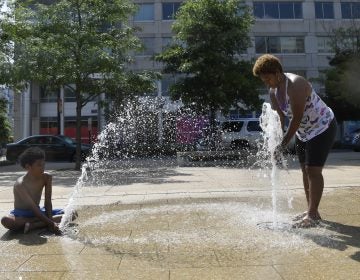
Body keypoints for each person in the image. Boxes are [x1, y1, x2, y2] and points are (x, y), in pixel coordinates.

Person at [253, 54, 337, 228]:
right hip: (303, 132)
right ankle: (311, 211)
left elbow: (296, 118)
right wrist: (276, 141)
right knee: (305, 171)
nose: (267, 83)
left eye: (268, 78)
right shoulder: (273, 91)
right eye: (263, 80)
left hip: (322, 127)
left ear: (277, 73)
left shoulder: (296, 84)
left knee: (313, 170)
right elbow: (282, 117)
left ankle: (312, 214)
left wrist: (282, 146)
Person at [1, 147, 63, 234]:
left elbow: (48, 202)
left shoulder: (47, 177)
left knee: (72, 214)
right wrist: (51, 223)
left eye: (43, 164)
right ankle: (38, 221)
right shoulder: (20, 184)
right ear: (28, 167)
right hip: (21, 215)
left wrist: (50, 223)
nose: (43, 167)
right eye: (39, 165)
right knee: (5, 220)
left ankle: (33, 225)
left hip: (39, 212)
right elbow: (33, 208)